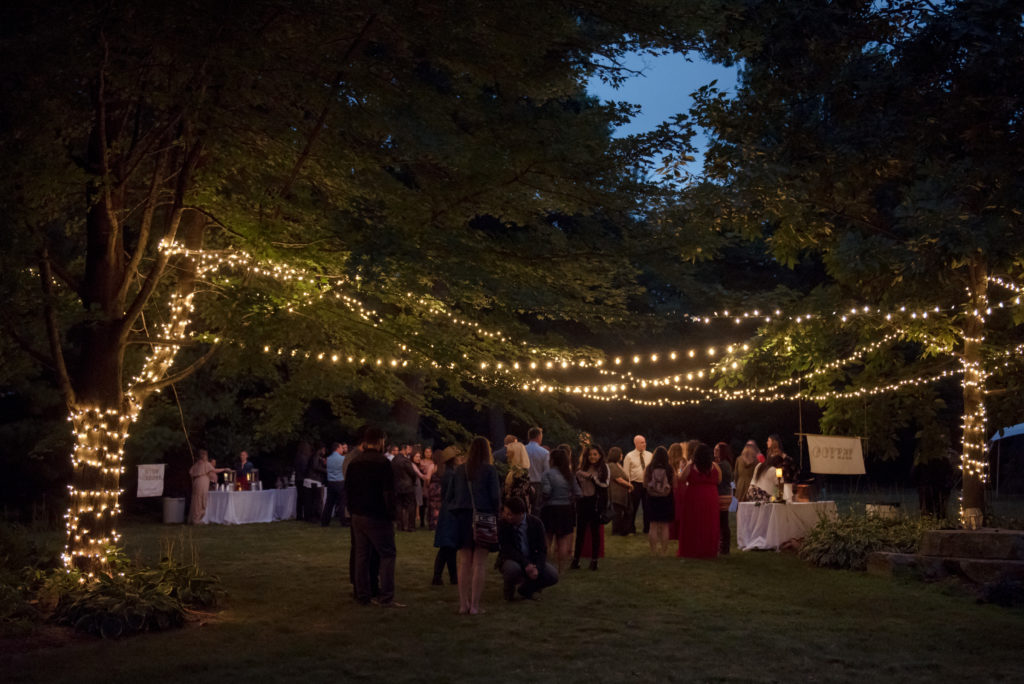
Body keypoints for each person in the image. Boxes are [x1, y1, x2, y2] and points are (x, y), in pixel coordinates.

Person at [345, 427, 402, 607]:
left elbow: (348, 490)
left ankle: (363, 595)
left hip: (358, 515)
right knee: (387, 554)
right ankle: (386, 596)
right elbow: (388, 492)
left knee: (362, 555)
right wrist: (392, 513)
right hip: (377, 515)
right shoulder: (382, 463)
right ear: (379, 441)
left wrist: (353, 510)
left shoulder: (355, 462)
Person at [447, 436, 501, 615]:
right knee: (479, 563)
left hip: (463, 516)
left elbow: (449, 496)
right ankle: (475, 605)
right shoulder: (489, 470)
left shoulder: (460, 470)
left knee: (464, 562)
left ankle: (463, 604)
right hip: (484, 516)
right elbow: (495, 496)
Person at [498, 496, 558, 601]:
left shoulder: (536, 523)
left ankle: (527, 589)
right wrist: (526, 563)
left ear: (521, 513)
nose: (506, 516)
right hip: (512, 558)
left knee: (552, 575)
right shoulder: (503, 524)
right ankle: (508, 592)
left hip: (532, 558)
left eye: (510, 514)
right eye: (505, 513)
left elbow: (542, 549)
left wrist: (537, 568)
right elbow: (507, 549)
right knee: (512, 568)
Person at [539, 447, 581, 573]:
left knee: (547, 539)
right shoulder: (569, 475)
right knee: (562, 541)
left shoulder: (547, 474)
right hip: (565, 509)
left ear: (552, 460)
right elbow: (579, 493)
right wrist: (569, 498)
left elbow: (546, 491)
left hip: (550, 509)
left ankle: (544, 566)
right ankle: (561, 569)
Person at [678, 442, 722, 559]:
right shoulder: (714, 466)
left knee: (693, 523)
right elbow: (719, 479)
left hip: (694, 496)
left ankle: (692, 549)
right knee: (709, 523)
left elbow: (681, 479)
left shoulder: (691, 466)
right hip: (710, 497)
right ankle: (708, 550)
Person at [571, 444, 609, 570]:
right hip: (582, 502)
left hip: (595, 503)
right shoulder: (582, 468)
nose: (592, 457)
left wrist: (591, 478)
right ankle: (576, 560)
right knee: (580, 532)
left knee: (595, 532)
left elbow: (605, 485)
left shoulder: (603, 468)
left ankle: (594, 561)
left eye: (595, 454)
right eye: (590, 454)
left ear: (600, 455)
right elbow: (576, 486)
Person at [432, 446, 462, 585]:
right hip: (450, 511)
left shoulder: (448, 473)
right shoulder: (451, 475)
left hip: (448, 510)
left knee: (449, 547)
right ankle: (440, 577)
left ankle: (450, 577)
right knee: (448, 546)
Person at [644, 446, 675, 555]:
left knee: (653, 526)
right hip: (666, 499)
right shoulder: (669, 468)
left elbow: (645, 484)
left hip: (652, 499)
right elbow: (673, 484)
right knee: (665, 526)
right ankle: (663, 552)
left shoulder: (649, 468)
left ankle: (653, 551)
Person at [623, 434, 652, 534]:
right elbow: (626, 472)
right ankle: (631, 528)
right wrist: (628, 485)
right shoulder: (629, 456)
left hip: (647, 484)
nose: (645, 444)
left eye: (645, 442)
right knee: (633, 508)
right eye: (642, 442)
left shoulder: (650, 455)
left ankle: (647, 528)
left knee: (647, 507)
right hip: (635, 485)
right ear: (636, 443)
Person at [188, 449, 226, 524]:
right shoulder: (206, 464)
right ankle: (197, 519)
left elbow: (190, 472)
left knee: (196, 500)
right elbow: (215, 470)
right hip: (202, 482)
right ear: (204, 456)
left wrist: (197, 476)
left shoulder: (197, 464)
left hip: (196, 482)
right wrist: (224, 469)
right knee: (200, 499)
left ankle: (194, 518)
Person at [606, 446, 633, 536]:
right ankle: (617, 531)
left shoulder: (618, 465)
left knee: (627, 511)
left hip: (623, 493)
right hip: (616, 493)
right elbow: (618, 479)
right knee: (617, 513)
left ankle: (624, 530)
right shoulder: (611, 465)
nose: (622, 455)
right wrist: (630, 485)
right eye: (620, 453)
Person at [391, 445, 419, 532]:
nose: (410, 451)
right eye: (409, 449)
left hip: (397, 486)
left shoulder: (394, 460)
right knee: (411, 505)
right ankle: (411, 526)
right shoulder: (405, 461)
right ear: (404, 449)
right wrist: (413, 481)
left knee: (399, 506)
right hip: (407, 486)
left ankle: (400, 526)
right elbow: (412, 473)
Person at [714, 442, 735, 554]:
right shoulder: (726, 464)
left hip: (722, 495)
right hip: (726, 495)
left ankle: (723, 547)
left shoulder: (722, 465)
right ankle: (724, 547)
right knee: (723, 522)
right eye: (714, 450)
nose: (714, 452)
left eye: (717, 450)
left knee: (722, 522)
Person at [321, 442, 349, 527]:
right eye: (341, 448)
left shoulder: (328, 459)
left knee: (329, 503)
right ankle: (343, 521)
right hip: (340, 482)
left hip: (330, 482)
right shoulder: (343, 459)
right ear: (337, 448)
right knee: (342, 503)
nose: (342, 450)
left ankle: (325, 522)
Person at [503, 441, 533, 512]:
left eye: (508, 452)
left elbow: (517, 495)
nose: (506, 455)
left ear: (515, 454)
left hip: (516, 511)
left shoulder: (519, 474)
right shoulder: (517, 472)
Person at [524, 427, 549, 512]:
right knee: (537, 509)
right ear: (539, 437)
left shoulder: (523, 450)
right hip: (538, 484)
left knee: (525, 508)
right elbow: (546, 471)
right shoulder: (544, 452)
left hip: (524, 483)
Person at [293, 441, 315, 521]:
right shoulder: (304, 457)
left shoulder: (297, 456)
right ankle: (305, 515)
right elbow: (304, 469)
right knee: (305, 498)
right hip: (303, 479)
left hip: (298, 479)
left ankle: (299, 515)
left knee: (300, 498)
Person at [419, 447, 437, 528]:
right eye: (426, 452)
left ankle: (430, 520)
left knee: (430, 504)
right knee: (422, 503)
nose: (428, 454)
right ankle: (422, 521)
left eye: (429, 452)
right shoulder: (421, 462)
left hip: (431, 484)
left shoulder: (433, 462)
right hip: (423, 483)